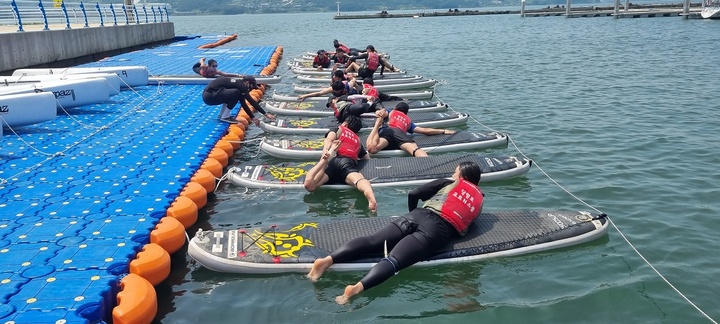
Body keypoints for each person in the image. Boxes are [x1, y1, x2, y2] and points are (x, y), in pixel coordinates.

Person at [307, 161, 485, 305]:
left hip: (417, 215)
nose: (453, 176)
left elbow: (414, 193)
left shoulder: (448, 183)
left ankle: (326, 261)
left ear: (462, 177)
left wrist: (412, 214)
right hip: (437, 230)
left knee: (373, 241)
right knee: (393, 261)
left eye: (455, 173)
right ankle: (354, 289)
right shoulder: (479, 200)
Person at [304, 115, 378, 213]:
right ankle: (368, 192)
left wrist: (326, 150)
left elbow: (329, 139)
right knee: (359, 180)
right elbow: (366, 158)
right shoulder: (357, 140)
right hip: (347, 163)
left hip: (333, 162)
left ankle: (323, 161)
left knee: (310, 185)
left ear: (345, 124)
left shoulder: (339, 129)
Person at [366, 102, 456, 157]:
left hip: (388, 132)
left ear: (396, 108)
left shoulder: (391, 111)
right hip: (401, 135)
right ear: (406, 113)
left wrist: (378, 113)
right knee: (416, 150)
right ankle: (427, 161)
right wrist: (443, 131)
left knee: (372, 149)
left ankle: (377, 128)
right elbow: (425, 131)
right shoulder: (408, 121)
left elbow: (382, 112)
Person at [202, 76, 275, 125]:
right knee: (235, 92)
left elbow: (243, 103)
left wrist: (253, 118)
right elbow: (251, 101)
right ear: (247, 82)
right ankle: (225, 117)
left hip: (210, 96)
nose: (250, 89)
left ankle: (222, 115)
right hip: (210, 96)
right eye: (251, 87)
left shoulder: (237, 84)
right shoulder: (240, 85)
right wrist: (265, 114)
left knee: (234, 94)